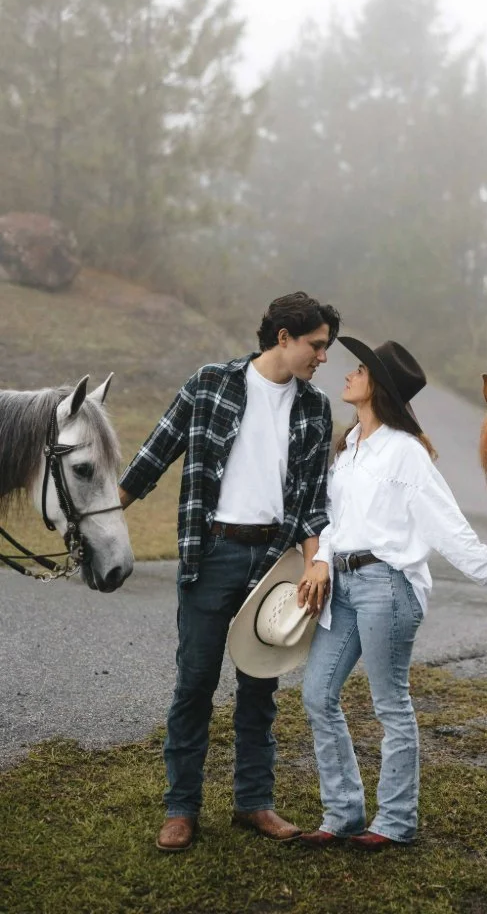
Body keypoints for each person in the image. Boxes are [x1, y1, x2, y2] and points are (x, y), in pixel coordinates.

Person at [118, 292, 340, 851]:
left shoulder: (315, 410)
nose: (323, 357)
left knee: (260, 687)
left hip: (274, 563)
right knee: (194, 683)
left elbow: (314, 501)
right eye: (317, 345)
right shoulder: (211, 383)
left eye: (327, 348)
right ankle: (181, 808)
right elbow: (156, 452)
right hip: (211, 551)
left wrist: (316, 563)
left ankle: (254, 803)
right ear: (284, 337)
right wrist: (101, 512)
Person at [296, 336, 487, 851]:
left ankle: (395, 822)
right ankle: (343, 813)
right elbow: (334, 522)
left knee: (390, 705)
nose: (349, 375)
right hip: (344, 585)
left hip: (387, 586)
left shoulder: (405, 452)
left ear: (380, 386)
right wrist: (323, 561)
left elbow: (447, 524)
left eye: (359, 369)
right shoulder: (350, 447)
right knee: (317, 694)